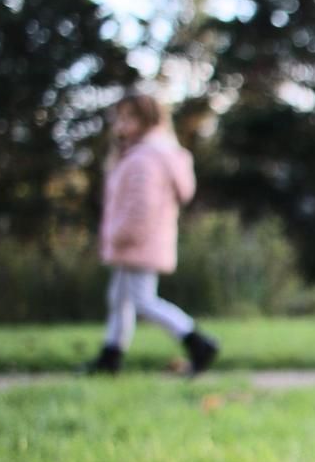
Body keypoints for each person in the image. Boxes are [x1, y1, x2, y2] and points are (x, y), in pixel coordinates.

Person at [85, 91, 219, 375]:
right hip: (138, 240)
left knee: (143, 301)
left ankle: (197, 342)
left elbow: (141, 207)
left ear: (148, 120)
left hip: (137, 241)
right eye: (119, 117)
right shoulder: (141, 153)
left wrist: (122, 235)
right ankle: (111, 355)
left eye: (129, 117)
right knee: (120, 298)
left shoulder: (146, 157)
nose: (121, 123)